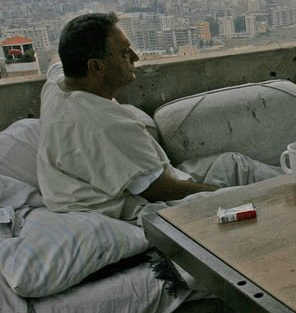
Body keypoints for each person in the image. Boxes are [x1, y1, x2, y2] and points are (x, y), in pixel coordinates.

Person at [37, 12, 279, 222]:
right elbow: (158, 189)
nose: (135, 57)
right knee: (243, 200)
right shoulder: (105, 125)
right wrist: (217, 193)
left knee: (234, 164)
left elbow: (56, 66)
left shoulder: (57, 86)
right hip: (141, 203)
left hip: (153, 178)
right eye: (124, 53)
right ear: (96, 67)